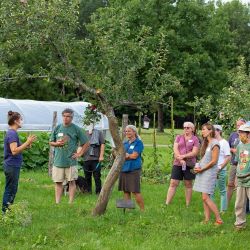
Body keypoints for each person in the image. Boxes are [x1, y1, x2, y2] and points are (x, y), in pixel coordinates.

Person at [49, 108, 89, 204]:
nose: (66, 118)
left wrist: (79, 154)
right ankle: (57, 202)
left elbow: (86, 143)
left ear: (71, 118)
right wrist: (56, 143)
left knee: (72, 182)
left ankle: (70, 203)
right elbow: (50, 142)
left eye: (68, 116)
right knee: (58, 182)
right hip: (58, 161)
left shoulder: (76, 129)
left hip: (71, 161)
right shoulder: (58, 128)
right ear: (62, 117)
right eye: (64, 116)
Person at [2, 111, 36, 213]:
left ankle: (7, 211)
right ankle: (5, 213)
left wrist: (27, 144)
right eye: (21, 119)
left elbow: (18, 148)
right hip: (12, 165)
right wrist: (27, 142)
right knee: (11, 190)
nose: (22, 121)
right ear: (16, 121)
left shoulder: (12, 133)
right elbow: (14, 151)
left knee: (12, 189)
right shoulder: (12, 134)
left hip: (12, 165)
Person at [193, 123, 223, 225]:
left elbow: (214, 161)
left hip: (209, 173)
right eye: (202, 129)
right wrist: (198, 166)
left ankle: (219, 219)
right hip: (203, 171)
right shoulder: (206, 143)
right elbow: (205, 159)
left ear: (210, 130)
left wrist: (202, 169)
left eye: (204, 129)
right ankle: (207, 219)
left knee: (205, 197)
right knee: (204, 197)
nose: (202, 131)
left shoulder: (215, 143)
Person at [165, 122, 199, 206]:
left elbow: (194, 152)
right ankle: (167, 203)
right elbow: (175, 149)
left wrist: (183, 156)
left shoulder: (195, 139)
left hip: (190, 164)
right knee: (173, 183)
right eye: (184, 127)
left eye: (188, 127)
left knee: (188, 184)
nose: (186, 129)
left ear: (192, 129)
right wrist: (180, 159)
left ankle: (187, 205)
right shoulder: (178, 137)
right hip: (178, 163)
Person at [118, 125, 144, 211]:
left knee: (135, 191)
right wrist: (126, 155)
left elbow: (134, 156)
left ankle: (142, 210)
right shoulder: (124, 143)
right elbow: (119, 154)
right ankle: (128, 210)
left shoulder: (138, 143)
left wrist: (125, 156)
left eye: (129, 131)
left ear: (134, 132)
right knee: (125, 190)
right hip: (124, 169)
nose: (127, 133)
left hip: (133, 170)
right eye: (126, 131)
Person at [211, 125, 231, 213]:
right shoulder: (212, 142)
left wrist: (220, 168)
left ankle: (223, 210)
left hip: (221, 170)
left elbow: (228, 157)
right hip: (211, 170)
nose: (212, 132)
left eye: (214, 130)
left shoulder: (224, 143)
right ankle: (211, 209)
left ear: (219, 131)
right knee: (210, 190)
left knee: (222, 190)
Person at [234, 124, 250, 229]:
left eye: (242, 133)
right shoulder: (239, 146)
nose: (239, 134)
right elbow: (239, 162)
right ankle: (240, 224)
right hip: (240, 178)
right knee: (239, 203)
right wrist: (236, 177)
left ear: (248, 134)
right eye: (239, 132)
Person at [227, 119, 246, 206]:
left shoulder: (247, 136)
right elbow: (227, 147)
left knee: (239, 185)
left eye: (241, 125)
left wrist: (239, 151)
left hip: (243, 164)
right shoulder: (233, 135)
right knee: (230, 184)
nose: (239, 127)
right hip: (233, 163)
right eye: (237, 125)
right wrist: (232, 150)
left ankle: (239, 205)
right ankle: (226, 204)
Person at [82, 124, 105, 194]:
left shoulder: (99, 133)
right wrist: (78, 154)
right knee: (87, 177)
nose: (89, 125)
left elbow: (102, 144)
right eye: (88, 123)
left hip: (96, 159)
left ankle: (98, 192)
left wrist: (101, 156)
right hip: (86, 159)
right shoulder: (84, 133)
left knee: (97, 177)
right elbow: (81, 145)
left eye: (91, 123)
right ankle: (88, 191)